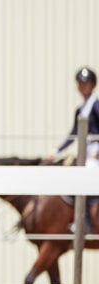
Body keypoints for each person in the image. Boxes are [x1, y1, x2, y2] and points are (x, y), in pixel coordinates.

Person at [49, 67, 99, 231]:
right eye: (80, 83)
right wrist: (56, 151)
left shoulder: (96, 106)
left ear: (92, 85)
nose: (83, 87)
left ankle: (88, 219)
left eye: (86, 83)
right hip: (85, 151)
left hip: (95, 152)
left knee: (87, 173)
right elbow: (74, 133)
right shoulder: (81, 109)